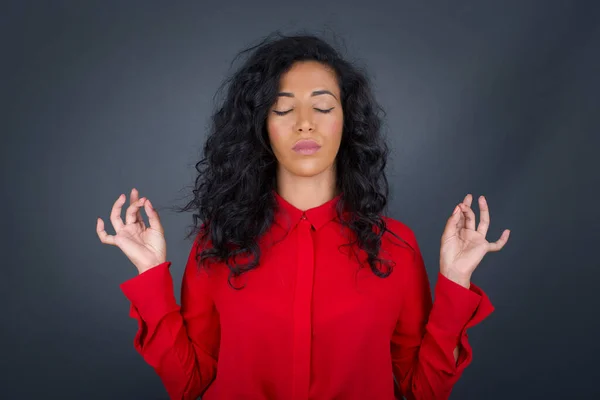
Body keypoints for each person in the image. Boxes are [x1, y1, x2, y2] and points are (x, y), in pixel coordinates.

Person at [96, 32, 510, 400]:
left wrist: (456, 282)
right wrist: (150, 274)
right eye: (282, 109)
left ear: (348, 123)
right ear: (261, 127)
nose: (305, 124)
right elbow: (189, 384)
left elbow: (422, 391)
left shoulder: (396, 247)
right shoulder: (219, 242)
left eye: (323, 107)